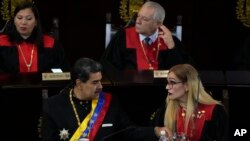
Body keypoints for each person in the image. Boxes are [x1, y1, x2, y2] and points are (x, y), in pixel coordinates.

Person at [41, 57, 170, 141]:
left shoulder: (109, 101)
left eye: (100, 81)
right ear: (79, 83)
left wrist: (155, 131)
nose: (100, 87)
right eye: (94, 82)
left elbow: (129, 131)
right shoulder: (53, 106)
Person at [101, 1, 194, 72]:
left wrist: (172, 47)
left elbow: (186, 72)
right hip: (129, 91)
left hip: (163, 92)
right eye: (138, 16)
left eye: (145, 19)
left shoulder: (170, 40)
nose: (138, 21)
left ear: (158, 23)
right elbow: (107, 66)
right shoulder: (123, 37)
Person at [150, 64, 229, 141]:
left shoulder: (215, 111)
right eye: (168, 82)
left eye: (172, 82)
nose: (167, 87)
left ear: (187, 85)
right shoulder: (165, 109)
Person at [0, 2, 69, 73]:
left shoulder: (51, 44)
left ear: (36, 22)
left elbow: (62, 72)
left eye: (29, 19)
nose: (23, 22)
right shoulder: (2, 42)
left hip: (45, 84)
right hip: (9, 84)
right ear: (14, 20)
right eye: (19, 18)